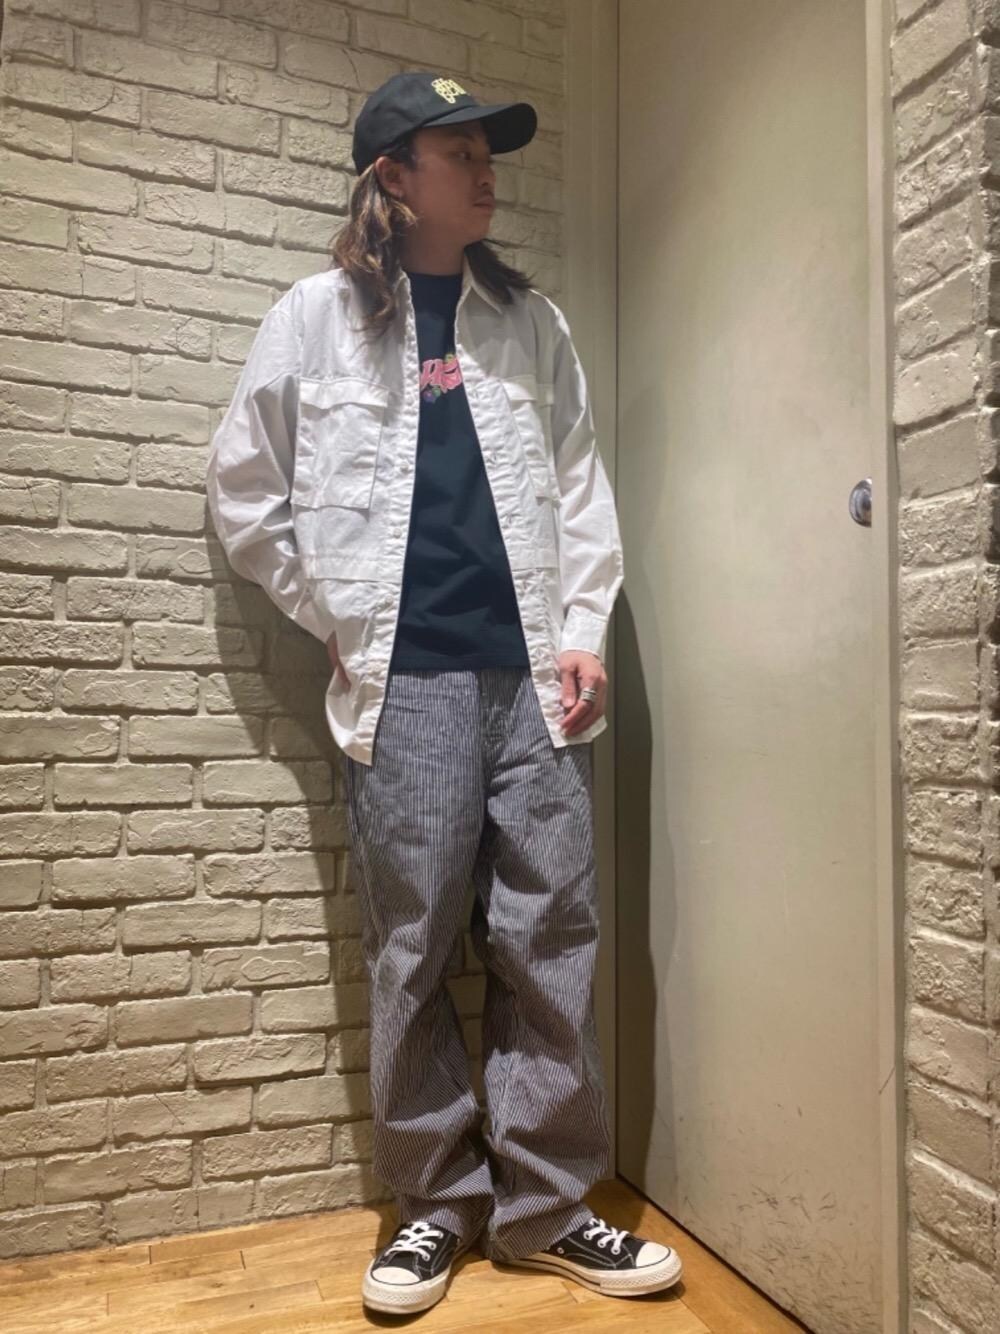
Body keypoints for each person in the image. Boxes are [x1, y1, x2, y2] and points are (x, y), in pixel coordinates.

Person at [206, 69, 683, 1317]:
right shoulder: (313, 319)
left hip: (532, 680)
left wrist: (583, 629)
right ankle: (432, 1202)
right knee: (414, 947)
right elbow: (244, 494)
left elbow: (578, 485)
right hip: (403, 684)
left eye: (489, 153)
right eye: (459, 153)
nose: (486, 174)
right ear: (392, 176)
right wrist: (334, 615)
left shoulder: (530, 321)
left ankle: (546, 1207)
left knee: (548, 935)